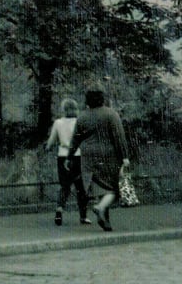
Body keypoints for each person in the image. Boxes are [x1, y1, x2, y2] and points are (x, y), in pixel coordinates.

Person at [67, 88, 130, 232]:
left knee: (96, 186)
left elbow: (76, 138)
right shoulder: (111, 114)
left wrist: (70, 156)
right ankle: (100, 208)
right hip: (108, 154)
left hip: (87, 154)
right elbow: (119, 137)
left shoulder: (82, 116)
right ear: (102, 99)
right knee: (112, 188)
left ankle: (105, 220)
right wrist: (125, 156)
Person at [46, 98, 90, 226]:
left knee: (65, 186)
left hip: (63, 156)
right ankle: (83, 216)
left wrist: (48, 148)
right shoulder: (80, 122)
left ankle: (59, 210)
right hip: (78, 156)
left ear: (63, 110)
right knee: (80, 187)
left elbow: (51, 141)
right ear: (76, 109)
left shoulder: (58, 123)